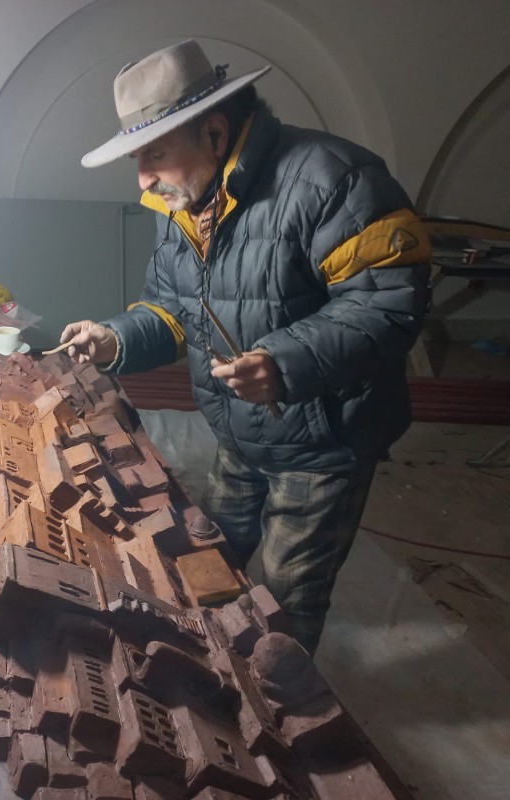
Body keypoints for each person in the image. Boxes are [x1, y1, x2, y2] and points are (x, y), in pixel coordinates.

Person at [60, 39, 431, 654]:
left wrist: (283, 364)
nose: (143, 178)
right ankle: (213, 672)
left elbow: (387, 305)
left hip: (322, 442)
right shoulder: (183, 201)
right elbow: (172, 310)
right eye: (137, 158)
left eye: (154, 154)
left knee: (285, 603)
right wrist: (115, 337)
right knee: (211, 562)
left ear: (214, 133)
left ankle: (281, 704)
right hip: (239, 433)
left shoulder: (334, 179)